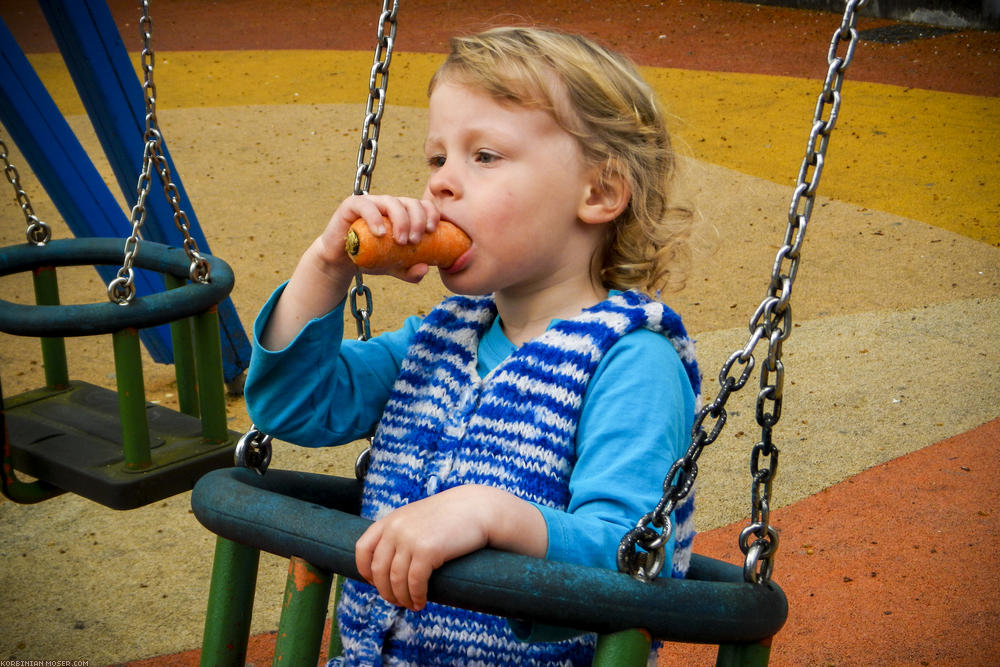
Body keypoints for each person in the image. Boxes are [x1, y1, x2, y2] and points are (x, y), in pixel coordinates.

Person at [245, 26, 701, 666]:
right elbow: (294, 406)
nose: (441, 185)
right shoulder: (439, 338)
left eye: (484, 156)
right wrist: (326, 267)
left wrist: (492, 514)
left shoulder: (630, 361)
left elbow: (629, 556)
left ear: (597, 193)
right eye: (438, 159)